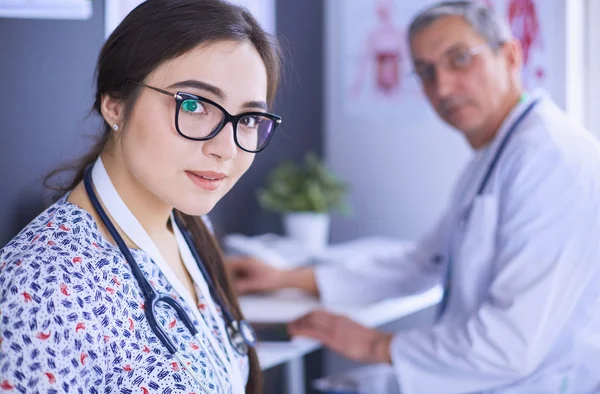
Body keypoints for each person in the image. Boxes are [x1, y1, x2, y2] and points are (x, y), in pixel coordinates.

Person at [228, 1, 600, 392]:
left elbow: (509, 347)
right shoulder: (499, 151)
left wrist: (376, 343)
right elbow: (425, 263)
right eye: (425, 71)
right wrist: (288, 278)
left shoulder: (551, 159)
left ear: (509, 55)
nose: (442, 86)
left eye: (459, 59)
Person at [0, 0, 282, 393]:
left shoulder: (190, 224)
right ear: (114, 104)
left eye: (248, 119)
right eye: (194, 104)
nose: (226, 149)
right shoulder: (39, 288)